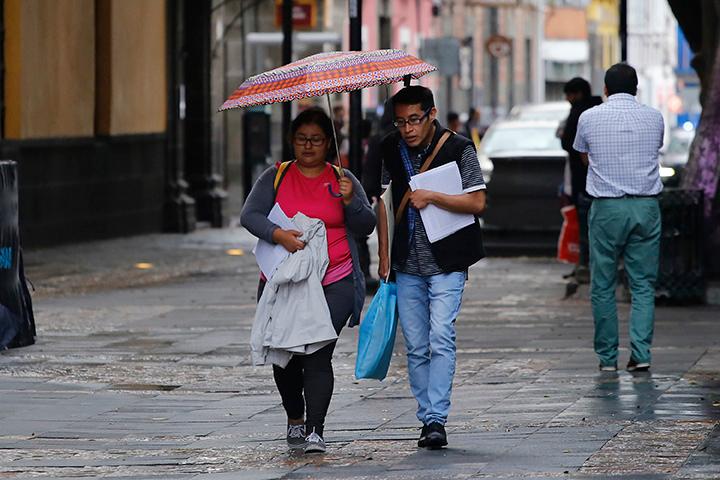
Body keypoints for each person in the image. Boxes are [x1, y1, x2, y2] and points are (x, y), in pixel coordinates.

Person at [240, 107, 376, 453]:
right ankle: (295, 417)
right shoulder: (277, 176)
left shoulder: (343, 179)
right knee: (285, 352)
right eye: (301, 139)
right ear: (292, 142)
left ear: (328, 142)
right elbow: (249, 215)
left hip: (335, 278)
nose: (308, 146)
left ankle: (316, 429)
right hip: (284, 279)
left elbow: (366, 225)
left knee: (316, 351)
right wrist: (277, 234)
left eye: (316, 140)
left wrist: (350, 202)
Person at [377, 86, 486, 449]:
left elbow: (478, 202)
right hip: (406, 262)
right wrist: (383, 254)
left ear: (432, 114)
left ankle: (437, 417)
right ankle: (427, 417)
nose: (407, 129)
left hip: (448, 259)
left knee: (441, 336)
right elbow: (383, 200)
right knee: (417, 345)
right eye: (400, 121)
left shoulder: (458, 148)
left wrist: (433, 196)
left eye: (414, 120)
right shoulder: (388, 148)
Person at [573, 63, 664, 373]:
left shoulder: (589, 117)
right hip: (645, 207)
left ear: (605, 90)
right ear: (636, 89)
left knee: (602, 284)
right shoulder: (655, 117)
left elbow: (584, 156)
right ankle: (641, 354)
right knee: (642, 285)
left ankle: (608, 358)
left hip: (607, 208)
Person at [560, 78, 603, 283]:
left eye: (569, 94)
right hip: (604, 179)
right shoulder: (600, 109)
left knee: (585, 221)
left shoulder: (580, 112)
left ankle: (585, 263)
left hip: (583, 178)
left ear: (577, 94)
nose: (568, 99)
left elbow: (569, 142)